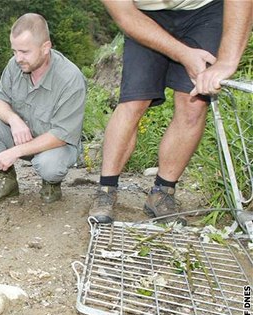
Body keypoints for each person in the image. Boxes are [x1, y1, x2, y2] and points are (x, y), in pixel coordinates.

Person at [89, 0, 253, 224]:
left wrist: (227, 60)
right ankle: (106, 190)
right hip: (144, 15)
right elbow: (125, 15)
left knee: (193, 101)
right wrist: (183, 54)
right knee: (134, 99)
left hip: (204, 10)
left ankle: (163, 192)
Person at [0, 13, 86, 206]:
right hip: (24, 137)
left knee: (49, 165)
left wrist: (15, 152)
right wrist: (13, 120)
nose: (18, 58)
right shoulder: (15, 65)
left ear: (45, 48)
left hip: (58, 145)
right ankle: (8, 183)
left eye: (24, 52)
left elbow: (60, 135)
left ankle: (51, 183)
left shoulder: (71, 79)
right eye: (14, 51)